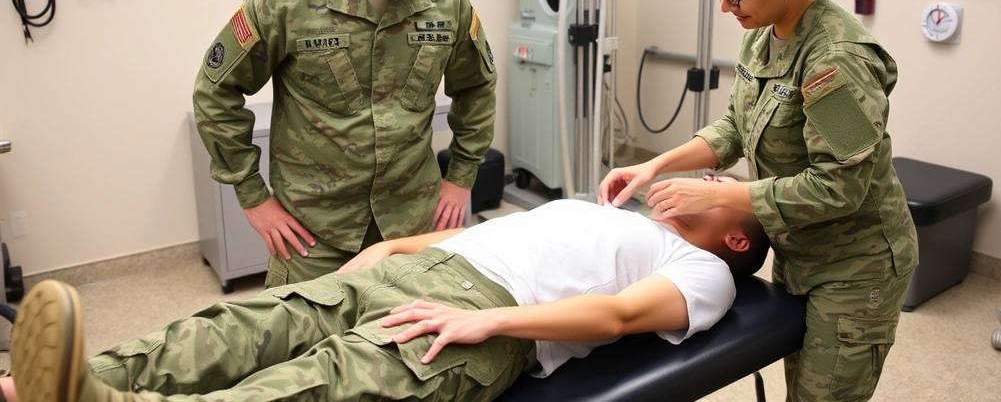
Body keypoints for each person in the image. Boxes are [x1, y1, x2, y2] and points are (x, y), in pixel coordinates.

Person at [598, 0, 919, 402]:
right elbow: (733, 129)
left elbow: (840, 189)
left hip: (855, 265)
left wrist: (718, 195)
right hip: (799, 248)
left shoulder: (833, 62)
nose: (726, 7)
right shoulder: (764, 32)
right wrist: (653, 167)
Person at [7, 199, 769, 402]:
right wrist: (390, 251)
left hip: (487, 316)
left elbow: (619, 317)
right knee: (247, 323)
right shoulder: (616, 215)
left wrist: (490, 321)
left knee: (321, 383)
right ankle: (75, 377)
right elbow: (486, 232)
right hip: (420, 269)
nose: (707, 185)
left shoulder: (708, 275)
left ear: (738, 238)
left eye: (724, 194)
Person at [192, 0, 497, 287]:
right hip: (314, 234)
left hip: (414, 222)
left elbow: (479, 85)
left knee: (412, 346)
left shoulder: (446, 1)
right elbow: (214, 91)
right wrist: (252, 196)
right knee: (303, 348)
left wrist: (461, 177)